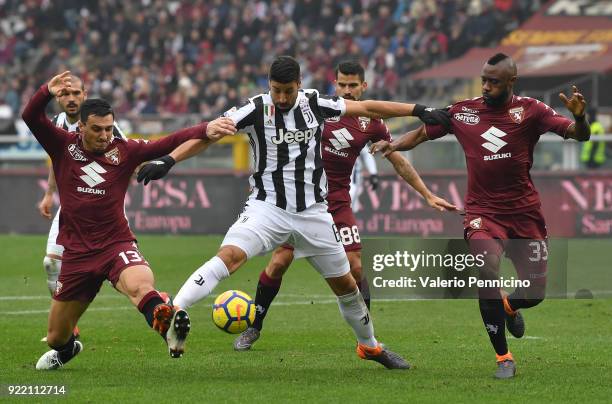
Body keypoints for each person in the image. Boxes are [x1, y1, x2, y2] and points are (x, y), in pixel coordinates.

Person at [137, 55, 451, 369]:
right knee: (230, 256)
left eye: (288, 90)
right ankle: (172, 311)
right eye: (277, 91)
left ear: (299, 85)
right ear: (268, 86)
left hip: (314, 213)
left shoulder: (315, 103)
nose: (283, 98)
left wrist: (419, 109)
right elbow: (209, 134)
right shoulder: (254, 108)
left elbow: (368, 107)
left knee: (347, 286)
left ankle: (370, 347)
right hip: (266, 209)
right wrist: (169, 160)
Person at [371, 53, 590, 378]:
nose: (486, 86)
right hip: (482, 213)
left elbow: (578, 134)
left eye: (494, 82)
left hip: (524, 214)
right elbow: (421, 133)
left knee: (534, 293)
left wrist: (581, 118)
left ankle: (509, 306)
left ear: (511, 82)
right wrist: (393, 146)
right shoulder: (463, 111)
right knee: (486, 272)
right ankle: (504, 358)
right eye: (484, 80)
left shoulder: (531, 110)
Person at [231, 60, 456, 352]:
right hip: (300, 201)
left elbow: (396, 158)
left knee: (355, 266)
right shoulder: (315, 107)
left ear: (364, 86)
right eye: (342, 85)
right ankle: (254, 327)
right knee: (278, 263)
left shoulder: (372, 122)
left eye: (353, 85)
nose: (347, 91)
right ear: (335, 84)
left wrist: (426, 194)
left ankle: (367, 335)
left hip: (337, 201)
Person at [22, 71, 236, 370]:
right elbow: (30, 116)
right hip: (78, 255)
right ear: (80, 126)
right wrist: (46, 89)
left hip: (115, 244)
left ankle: (167, 324)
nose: (105, 136)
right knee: (57, 337)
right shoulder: (61, 145)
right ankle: (68, 349)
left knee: (140, 286)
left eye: (109, 129)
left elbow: (170, 141)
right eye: (97, 129)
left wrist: (207, 127)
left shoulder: (125, 150)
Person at [37, 75, 126, 342]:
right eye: (65, 94)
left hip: (101, 211)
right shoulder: (57, 124)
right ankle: (67, 328)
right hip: (70, 209)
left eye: (76, 93)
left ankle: (151, 297)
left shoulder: (105, 127)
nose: (71, 98)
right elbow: (57, 160)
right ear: (58, 98)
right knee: (51, 263)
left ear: (85, 95)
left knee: (116, 272)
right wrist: (50, 193)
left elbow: (127, 156)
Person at [350, 147, 378, 212]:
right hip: (330, 173)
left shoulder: (356, 137)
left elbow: (366, 153)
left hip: (353, 175)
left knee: (350, 202)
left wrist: (373, 173)